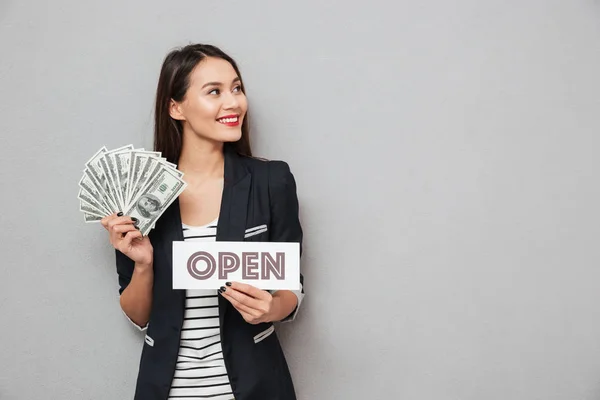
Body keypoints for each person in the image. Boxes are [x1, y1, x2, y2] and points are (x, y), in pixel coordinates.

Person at [100, 43, 304, 400]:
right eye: (214, 92)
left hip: (255, 386)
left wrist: (270, 308)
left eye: (236, 88)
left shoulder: (272, 181)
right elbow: (138, 315)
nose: (233, 103)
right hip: (167, 390)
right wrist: (144, 265)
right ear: (175, 107)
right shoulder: (139, 193)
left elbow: (291, 290)